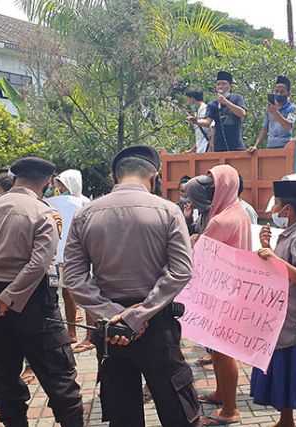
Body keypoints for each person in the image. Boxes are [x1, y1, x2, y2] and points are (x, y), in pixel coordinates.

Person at [62, 146, 201, 427]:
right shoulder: (168, 212)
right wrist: (137, 316)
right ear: (154, 175)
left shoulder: (85, 214)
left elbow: (73, 277)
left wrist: (114, 314)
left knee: (122, 410)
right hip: (156, 323)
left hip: (109, 328)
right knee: (178, 409)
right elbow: (181, 270)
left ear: (115, 175)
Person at [0, 157, 83, 427]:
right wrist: (8, 299)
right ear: (46, 183)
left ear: (14, 179)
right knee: (60, 378)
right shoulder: (43, 212)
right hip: (35, 307)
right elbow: (40, 263)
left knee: (4, 377)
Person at [185, 164, 251, 426]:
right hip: (231, 288)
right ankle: (221, 393)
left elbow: (200, 252)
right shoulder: (238, 211)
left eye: (213, 186)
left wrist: (193, 241)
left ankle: (230, 409)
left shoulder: (222, 220)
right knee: (220, 350)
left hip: (222, 292)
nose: (208, 191)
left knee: (223, 352)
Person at [252, 180, 296, 427]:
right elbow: (280, 272)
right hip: (283, 318)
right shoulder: (287, 235)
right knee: (284, 372)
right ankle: (285, 420)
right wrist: (267, 248)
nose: (273, 211)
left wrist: (274, 259)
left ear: (288, 210)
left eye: (276, 205)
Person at [45, 170, 87, 346]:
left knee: (79, 295)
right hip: (66, 256)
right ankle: (72, 333)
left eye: (62, 184)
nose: (59, 188)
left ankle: (84, 336)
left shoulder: (83, 203)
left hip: (70, 255)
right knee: (69, 294)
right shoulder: (80, 203)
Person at [194, 71, 247, 152]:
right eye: (218, 84)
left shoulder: (237, 98)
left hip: (236, 146)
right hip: (219, 147)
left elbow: (242, 113)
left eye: (224, 84)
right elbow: (208, 122)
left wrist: (226, 102)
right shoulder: (212, 104)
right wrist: (197, 121)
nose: (220, 87)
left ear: (230, 86)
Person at [249, 75, 296, 152]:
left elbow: (288, 126)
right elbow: (265, 129)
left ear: (288, 94)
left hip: (285, 147)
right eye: (276, 91)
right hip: (271, 147)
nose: (278, 94)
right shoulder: (270, 109)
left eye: (282, 92)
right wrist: (256, 146)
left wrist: (275, 113)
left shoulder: (292, 108)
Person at [186, 88, 212, 154]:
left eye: (188, 100)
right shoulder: (196, 113)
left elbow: (213, 129)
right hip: (201, 149)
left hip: (207, 148)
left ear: (192, 99)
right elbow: (200, 136)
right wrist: (192, 149)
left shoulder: (206, 110)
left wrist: (211, 148)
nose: (188, 103)